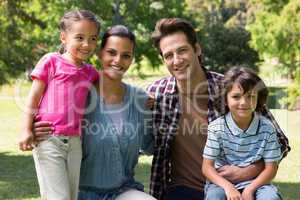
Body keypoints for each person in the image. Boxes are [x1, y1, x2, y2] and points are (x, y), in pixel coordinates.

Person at [147, 18, 290, 200]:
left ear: (197, 49)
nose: (176, 60)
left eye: (182, 50)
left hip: (234, 190)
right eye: (168, 55)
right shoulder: (157, 93)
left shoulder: (231, 89)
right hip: (183, 190)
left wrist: (247, 171)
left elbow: (280, 141)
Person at [33, 25, 156, 200]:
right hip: (78, 193)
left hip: (122, 191)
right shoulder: (78, 93)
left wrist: (161, 109)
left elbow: (152, 144)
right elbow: (49, 109)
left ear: (132, 59)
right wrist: (34, 127)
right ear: (99, 53)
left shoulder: (140, 99)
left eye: (126, 56)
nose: (118, 60)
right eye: (111, 52)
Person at [18, 10, 101, 200]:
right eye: (79, 37)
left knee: (71, 196)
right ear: (63, 37)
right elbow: (33, 97)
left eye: (93, 38)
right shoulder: (51, 61)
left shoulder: (91, 73)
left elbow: (110, 93)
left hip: (75, 143)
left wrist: (141, 98)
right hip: (49, 139)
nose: (87, 44)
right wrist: (26, 129)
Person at [202, 67, 282, 200]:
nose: (243, 103)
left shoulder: (267, 128)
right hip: (222, 183)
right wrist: (229, 187)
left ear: (258, 98)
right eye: (236, 96)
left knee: (271, 197)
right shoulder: (216, 128)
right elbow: (207, 168)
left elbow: (271, 168)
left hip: (258, 183)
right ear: (225, 99)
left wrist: (250, 189)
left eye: (250, 96)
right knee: (214, 197)